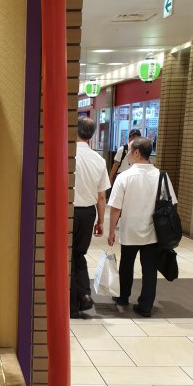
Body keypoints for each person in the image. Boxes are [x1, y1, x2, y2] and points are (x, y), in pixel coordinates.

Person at [107, 137, 177, 317]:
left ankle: (123, 297)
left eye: (129, 151)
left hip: (129, 230)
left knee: (126, 265)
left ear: (137, 153)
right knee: (150, 270)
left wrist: (111, 231)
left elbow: (115, 208)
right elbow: (171, 203)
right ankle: (145, 306)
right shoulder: (162, 176)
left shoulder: (124, 177)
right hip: (153, 232)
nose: (128, 155)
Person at [71, 117, 111, 318]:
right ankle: (84, 294)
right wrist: (101, 221)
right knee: (79, 255)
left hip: (68, 212)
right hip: (88, 213)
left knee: (67, 257)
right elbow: (101, 196)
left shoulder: (69, 155)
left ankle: (73, 305)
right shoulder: (99, 160)